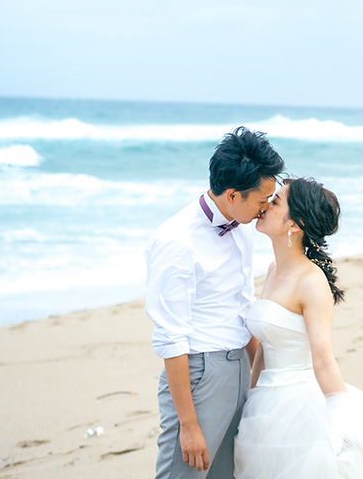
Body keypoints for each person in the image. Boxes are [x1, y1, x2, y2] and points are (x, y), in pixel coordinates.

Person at [234, 177, 363, 479]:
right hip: (266, 403)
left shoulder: (311, 282)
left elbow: (323, 360)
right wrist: (251, 395)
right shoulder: (273, 270)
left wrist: (341, 420)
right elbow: (266, 344)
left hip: (299, 406)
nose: (266, 206)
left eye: (276, 202)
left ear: (294, 225)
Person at [145, 126, 285, 478]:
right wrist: (188, 425)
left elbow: (242, 306)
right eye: (261, 199)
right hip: (198, 372)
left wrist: (257, 377)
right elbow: (171, 338)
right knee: (183, 474)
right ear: (233, 195)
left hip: (238, 364)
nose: (266, 207)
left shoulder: (242, 227)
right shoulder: (177, 242)